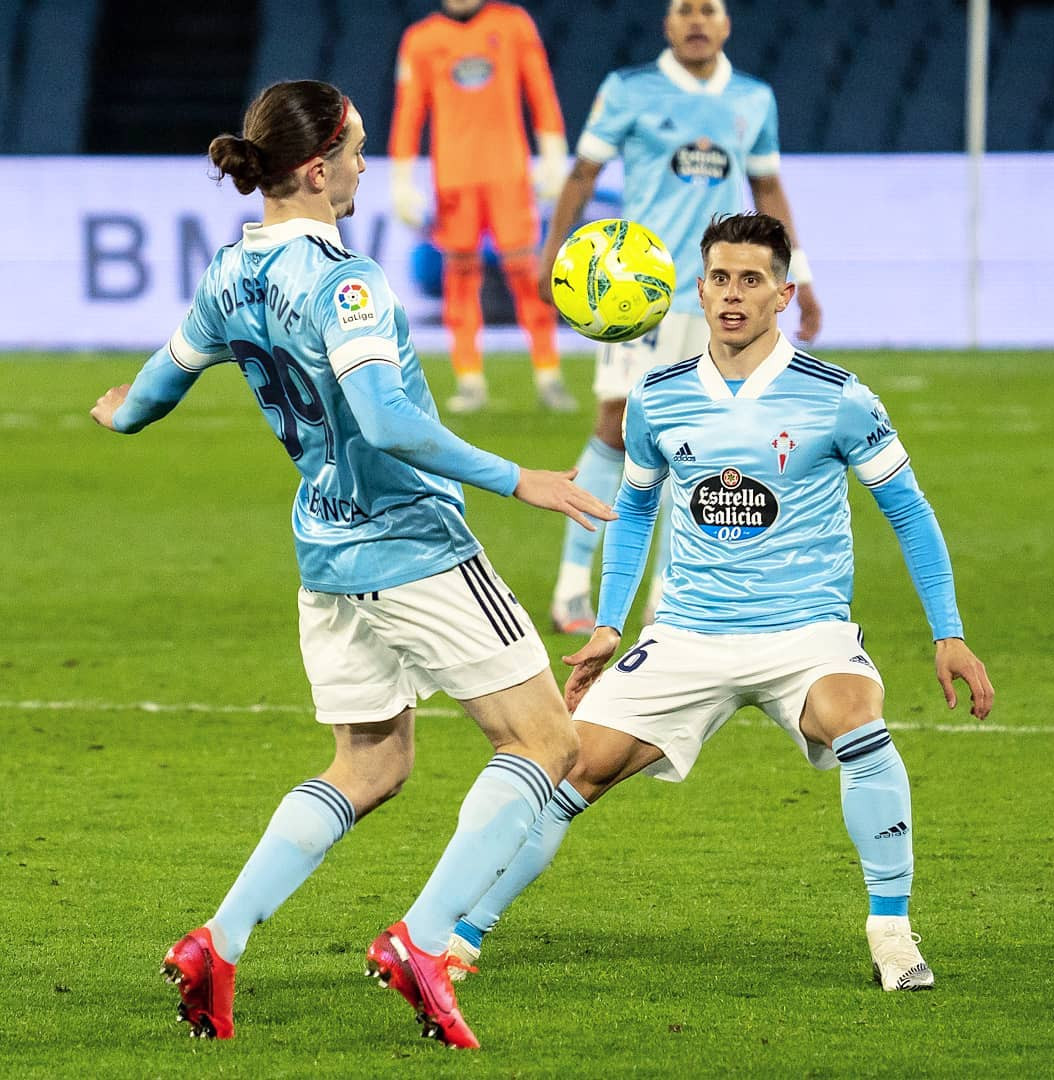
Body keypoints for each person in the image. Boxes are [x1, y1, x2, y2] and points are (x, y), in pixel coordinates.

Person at [89, 80, 615, 1049]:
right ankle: (420, 940)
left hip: (325, 550)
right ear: (318, 166)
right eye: (359, 150)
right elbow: (385, 420)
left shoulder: (230, 274)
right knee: (549, 745)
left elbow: (153, 392)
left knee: (370, 762)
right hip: (413, 545)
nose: (368, 166)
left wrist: (118, 410)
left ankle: (220, 938)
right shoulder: (348, 282)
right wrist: (518, 479)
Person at [448, 212, 994, 993]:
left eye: (752, 280)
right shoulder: (658, 398)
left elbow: (908, 509)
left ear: (783, 293)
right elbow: (635, 510)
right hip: (687, 636)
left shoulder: (838, 398)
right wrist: (609, 623)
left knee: (858, 722)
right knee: (569, 768)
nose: (733, 295)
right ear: (697, 289)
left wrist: (949, 632)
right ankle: (460, 936)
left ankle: (893, 935)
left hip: (805, 633)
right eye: (719, 279)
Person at [544, 0, 823, 634]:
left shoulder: (752, 98)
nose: (697, 19)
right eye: (684, 9)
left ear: (727, 22)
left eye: (709, 9)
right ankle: (570, 588)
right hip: (637, 296)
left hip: (718, 294)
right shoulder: (629, 89)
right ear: (667, 23)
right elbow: (583, 173)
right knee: (616, 426)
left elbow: (769, 189)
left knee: (698, 437)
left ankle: (667, 594)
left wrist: (799, 275)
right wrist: (554, 251)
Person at [389, 0, 576, 414]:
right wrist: (401, 178)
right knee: (460, 279)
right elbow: (409, 111)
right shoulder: (421, 39)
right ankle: (469, 379)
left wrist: (552, 153)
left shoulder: (513, 25)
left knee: (527, 276)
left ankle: (549, 374)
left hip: (508, 173)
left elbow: (540, 90)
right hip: (454, 179)